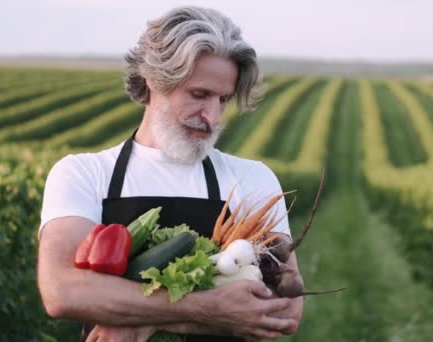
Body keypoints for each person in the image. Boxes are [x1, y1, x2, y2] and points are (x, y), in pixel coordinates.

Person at [37, 6, 304, 341]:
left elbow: (286, 308)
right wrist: (209, 309)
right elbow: (62, 292)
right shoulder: (84, 174)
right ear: (153, 79)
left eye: (223, 100)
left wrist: (137, 320)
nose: (213, 117)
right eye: (199, 95)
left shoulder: (252, 178)